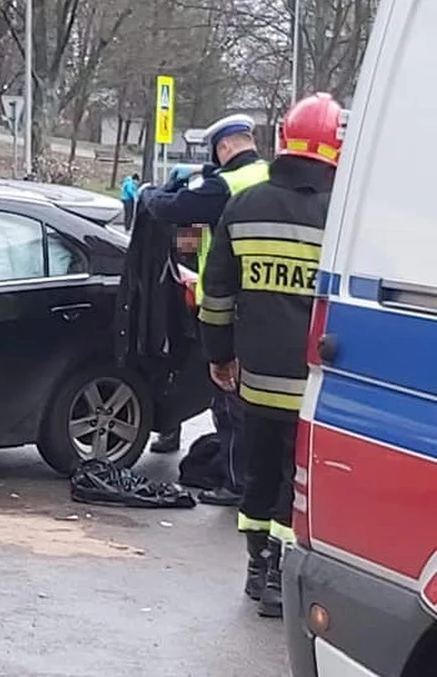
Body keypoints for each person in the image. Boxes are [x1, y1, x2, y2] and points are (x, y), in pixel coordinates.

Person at [198, 93, 343, 618]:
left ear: (284, 139)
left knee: (258, 472)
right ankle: (280, 577)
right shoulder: (341, 219)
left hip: (254, 378)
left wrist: (219, 356)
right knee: (293, 476)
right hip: (313, 386)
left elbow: (217, 296)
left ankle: (256, 568)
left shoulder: (245, 205)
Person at [139, 114, 269, 508]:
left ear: (224, 147)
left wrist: (148, 193)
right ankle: (256, 478)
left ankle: (234, 482)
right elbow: (194, 235)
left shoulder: (223, 186)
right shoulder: (267, 175)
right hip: (270, 303)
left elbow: (173, 210)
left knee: (228, 399)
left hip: (230, 305)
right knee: (259, 402)